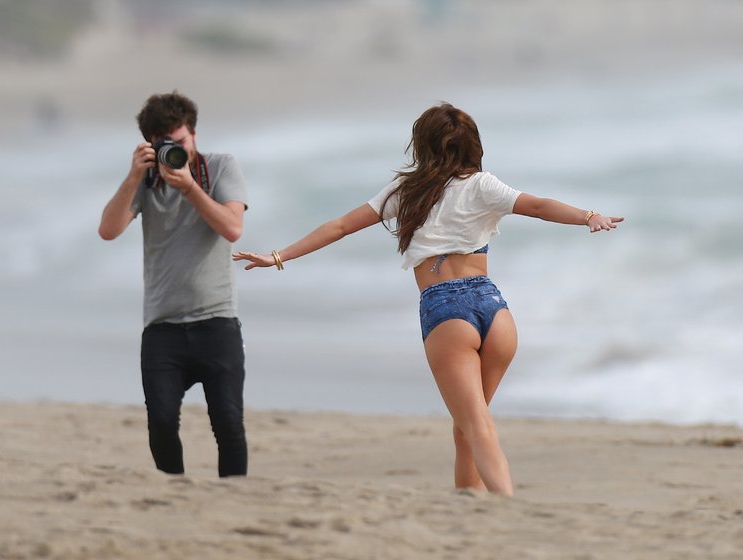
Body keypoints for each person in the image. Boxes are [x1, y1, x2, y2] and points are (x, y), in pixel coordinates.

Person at [234, 102, 623, 495]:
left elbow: (340, 227)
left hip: (447, 312)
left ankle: (507, 505)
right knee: (467, 427)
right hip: (494, 309)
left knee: (476, 426)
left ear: (422, 145)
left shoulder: (407, 191)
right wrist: (588, 215)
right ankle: (472, 506)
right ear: (473, 145)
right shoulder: (483, 185)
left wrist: (279, 256)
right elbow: (538, 206)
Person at [99, 91, 249, 478]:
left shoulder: (220, 167)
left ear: (193, 133)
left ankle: (234, 498)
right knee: (162, 424)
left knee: (228, 424)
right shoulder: (146, 180)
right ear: (150, 144)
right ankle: (174, 493)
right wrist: (134, 175)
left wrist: (189, 188)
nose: (176, 151)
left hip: (217, 321)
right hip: (162, 326)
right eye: (165, 144)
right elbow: (108, 230)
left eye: (181, 141)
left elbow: (232, 228)